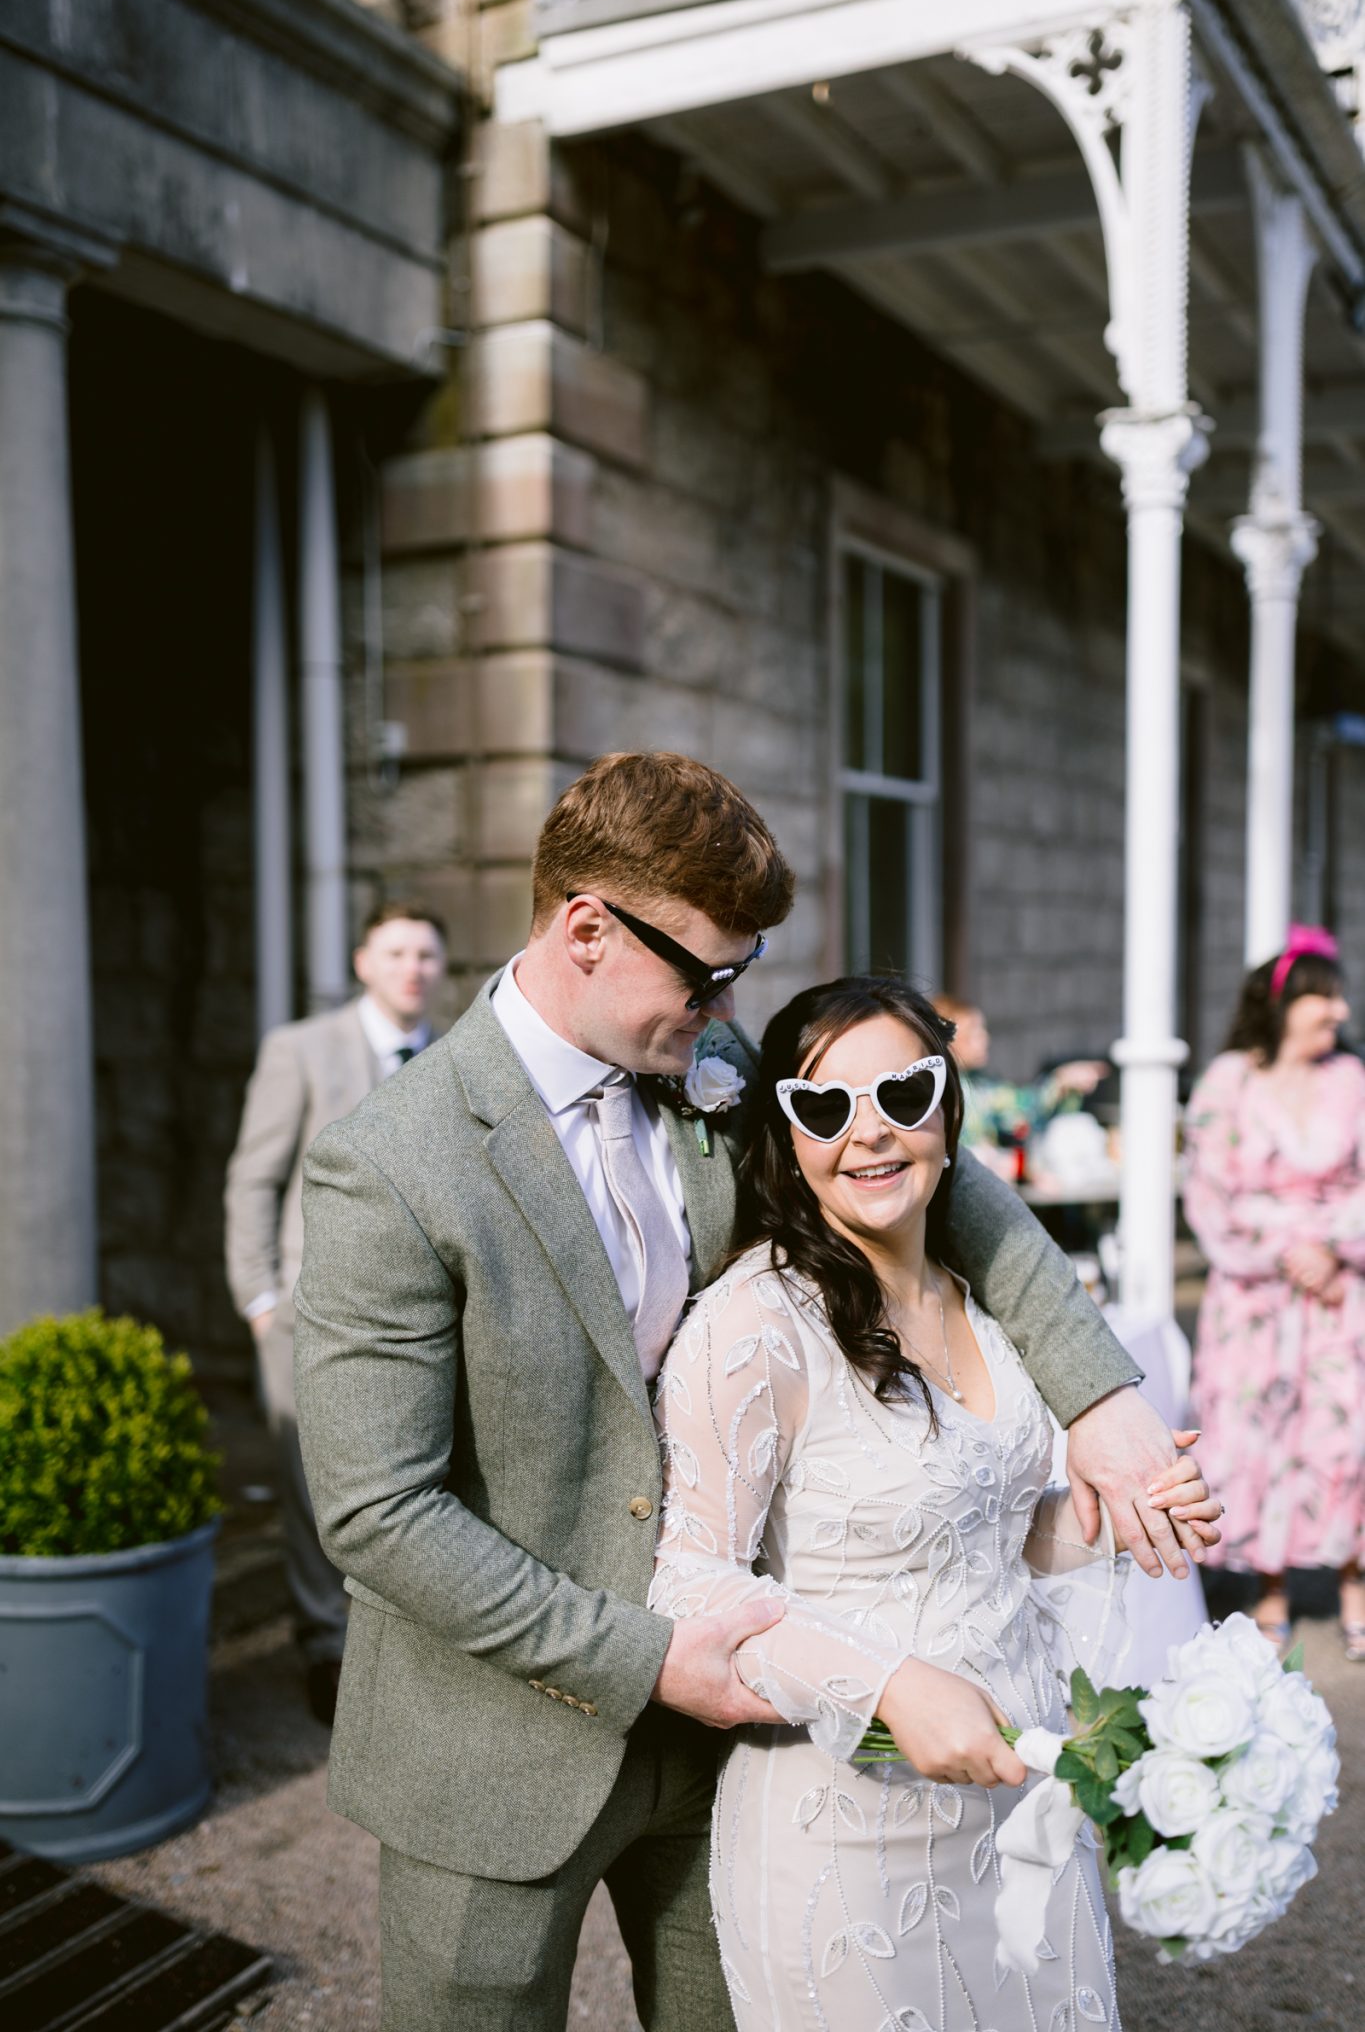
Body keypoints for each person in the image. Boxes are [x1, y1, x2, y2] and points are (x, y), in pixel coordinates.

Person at [293, 752, 1216, 2032]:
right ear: (587, 930)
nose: (729, 1003)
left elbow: (932, 1166)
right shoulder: (387, 1165)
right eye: (709, 971)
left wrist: (1100, 1399)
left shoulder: (705, 1066)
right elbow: (378, 1513)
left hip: (743, 1741)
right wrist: (650, 1654)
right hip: (497, 1747)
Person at [649, 976, 1218, 2030]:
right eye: (825, 1108)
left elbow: (984, 1533)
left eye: (902, 1096)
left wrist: (1105, 1511)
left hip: (1018, 1798)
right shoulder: (752, 1327)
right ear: (786, 1137)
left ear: (950, 1114)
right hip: (847, 1824)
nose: (869, 1133)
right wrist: (890, 1686)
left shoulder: (979, 1295)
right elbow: (689, 1583)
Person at [225, 899, 447, 1720]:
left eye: (425, 956)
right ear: (363, 963)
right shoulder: (302, 1050)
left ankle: (402, 1649)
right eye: (395, 954)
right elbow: (254, 1176)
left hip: (420, 1316)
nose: (411, 969)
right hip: (302, 1309)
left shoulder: (452, 1055)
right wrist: (258, 1298)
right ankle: (325, 1647)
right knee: (309, 1484)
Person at [1184, 924, 1365, 1655]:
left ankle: (1353, 1581)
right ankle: (1267, 1586)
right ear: (1281, 1003)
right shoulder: (1227, 1081)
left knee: (1344, 1433)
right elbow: (1206, 1191)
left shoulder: (1350, 1082)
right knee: (1254, 1434)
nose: (1338, 1013)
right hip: (1251, 1301)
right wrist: (1281, 1250)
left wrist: (1331, 1247)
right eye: (1322, 999)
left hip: (1337, 1293)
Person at [933, 992, 1109, 1173]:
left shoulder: (981, 1084)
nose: (985, 1038)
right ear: (949, 1039)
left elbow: (1021, 1108)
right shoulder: (941, 1090)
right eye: (974, 1031)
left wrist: (1060, 1083)